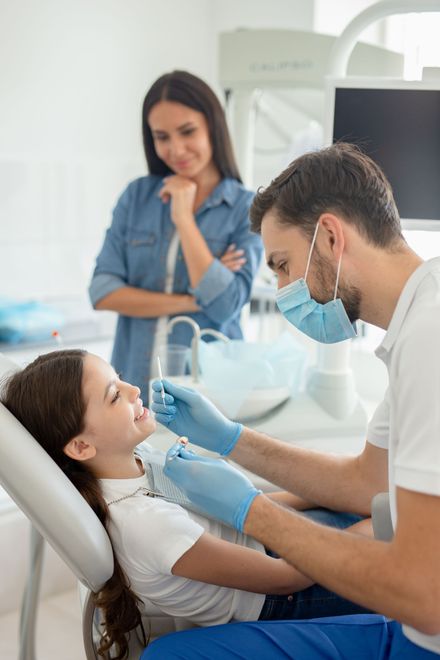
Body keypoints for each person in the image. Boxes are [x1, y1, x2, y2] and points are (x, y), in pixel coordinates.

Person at [147, 143, 440, 658]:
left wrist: (250, 510)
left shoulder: (430, 338)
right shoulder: (418, 317)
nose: (283, 290)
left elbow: (424, 593)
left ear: (330, 236)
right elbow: (365, 482)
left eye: (282, 266)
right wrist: (231, 440)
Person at [1, 349, 373, 659]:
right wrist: (360, 538)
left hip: (273, 542)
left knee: (375, 508)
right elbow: (282, 580)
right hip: (284, 593)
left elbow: (241, 507)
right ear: (81, 447)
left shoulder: (138, 462)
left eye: (119, 377)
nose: (134, 389)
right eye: (114, 395)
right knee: (394, 540)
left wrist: (323, 494)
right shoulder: (146, 525)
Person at [89, 70, 263, 402]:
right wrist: (195, 300)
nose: (175, 149)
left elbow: (226, 306)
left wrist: (184, 218)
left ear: (212, 126)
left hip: (210, 394)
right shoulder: (137, 196)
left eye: (187, 132)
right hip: (132, 387)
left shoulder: (245, 207)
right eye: (162, 136)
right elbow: (102, 291)